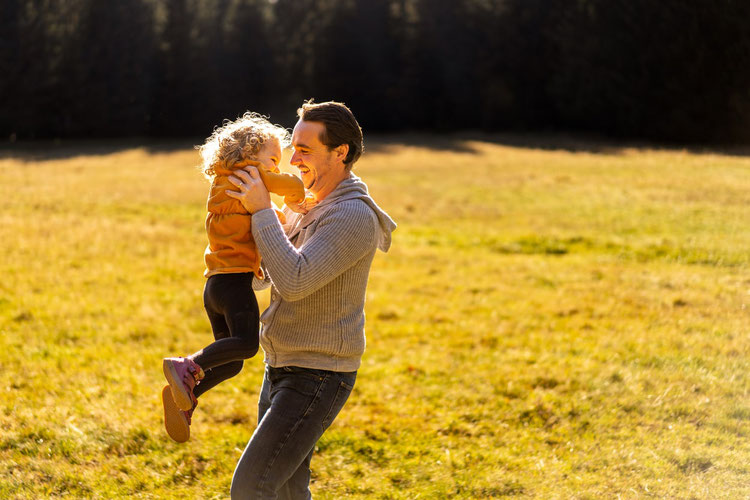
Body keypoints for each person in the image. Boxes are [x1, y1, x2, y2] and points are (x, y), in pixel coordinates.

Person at [224, 100, 396, 499]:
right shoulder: (309, 204)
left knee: (251, 487)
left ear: (341, 153)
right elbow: (269, 280)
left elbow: (296, 281)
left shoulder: (352, 215)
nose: (292, 159)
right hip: (282, 363)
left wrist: (263, 213)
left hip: (318, 375)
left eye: (305, 149)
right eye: (292, 146)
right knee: (286, 490)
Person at [161, 112, 309, 443]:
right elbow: (291, 186)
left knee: (231, 362)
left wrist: (284, 210)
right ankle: (186, 366)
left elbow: (256, 213)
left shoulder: (225, 182)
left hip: (214, 286)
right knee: (246, 344)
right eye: (272, 159)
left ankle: (183, 396)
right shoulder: (251, 175)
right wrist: (297, 195)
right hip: (234, 283)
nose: (274, 166)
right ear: (247, 154)